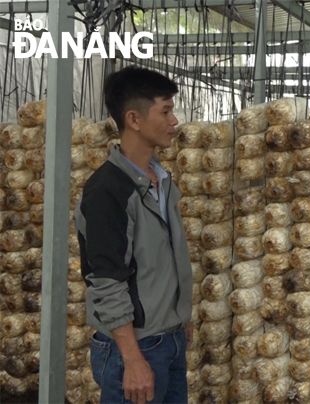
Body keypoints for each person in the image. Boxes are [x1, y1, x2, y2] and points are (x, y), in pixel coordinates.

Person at [74, 66, 193, 404]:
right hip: (136, 347)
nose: (175, 121)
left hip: (167, 340)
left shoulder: (160, 181)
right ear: (135, 119)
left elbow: (161, 260)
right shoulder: (107, 192)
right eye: (166, 111)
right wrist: (132, 359)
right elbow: (106, 279)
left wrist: (178, 316)